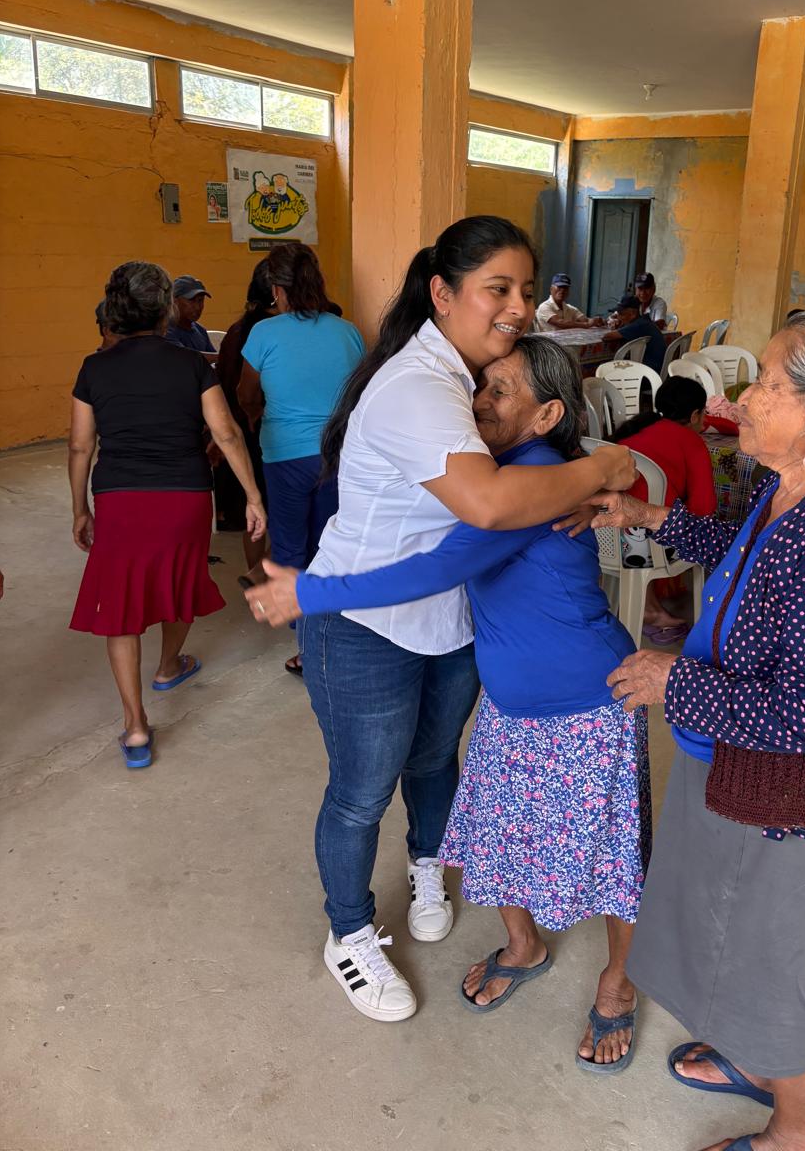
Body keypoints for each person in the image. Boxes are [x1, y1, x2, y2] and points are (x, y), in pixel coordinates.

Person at [566, 308, 805, 1151]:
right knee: (738, 933)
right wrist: (651, 518)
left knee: (789, 965)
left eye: (767, 384)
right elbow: (749, 552)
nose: (742, 400)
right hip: (752, 762)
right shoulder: (797, 482)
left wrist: (675, 681)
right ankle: (759, 1060)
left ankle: (797, 1132)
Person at [244, 215, 635, 1023]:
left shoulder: (473, 378)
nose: (519, 306)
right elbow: (488, 508)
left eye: (526, 289)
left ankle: (429, 863)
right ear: (443, 293)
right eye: (499, 288)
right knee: (362, 790)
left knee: (432, 762)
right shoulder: (421, 387)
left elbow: (516, 484)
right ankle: (349, 932)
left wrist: (599, 470)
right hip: (366, 619)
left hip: (450, 624)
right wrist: (601, 461)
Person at [69, 262, 266, 770]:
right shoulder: (190, 364)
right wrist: (252, 496)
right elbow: (226, 433)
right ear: (165, 309)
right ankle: (168, 665)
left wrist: (80, 508)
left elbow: (80, 446)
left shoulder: (94, 368)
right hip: (185, 496)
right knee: (180, 577)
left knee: (121, 603)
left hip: (119, 499)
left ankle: (135, 726)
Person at [237, 243, 364, 674]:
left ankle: (309, 646)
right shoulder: (347, 332)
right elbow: (358, 393)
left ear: (276, 288)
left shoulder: (264, 333)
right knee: (332, 544)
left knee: (290, 546)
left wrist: (258, 416)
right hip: (339, 454)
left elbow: (246, 395)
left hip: (285, 456)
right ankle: (333, 636)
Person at [613, 377, 716, 643]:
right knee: (700, 531)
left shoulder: (637, 430)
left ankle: (644, 605)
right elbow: (704, 510)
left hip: (607, 535)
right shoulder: (690, 441)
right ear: (694, 415)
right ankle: (650, 611)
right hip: (646, 545)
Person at [214, 258, 275, 578]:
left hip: (238, 436)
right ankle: (260, 577)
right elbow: (246, 393)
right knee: (290, 517)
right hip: (269, 433)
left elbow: (224, 387)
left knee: (254, 516)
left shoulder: (237, 332)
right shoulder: (276, 333)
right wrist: (254, 412)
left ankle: (256, 577)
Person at [606, 295, 667, 372]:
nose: (618, 317)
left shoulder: (638, 325)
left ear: (633, 314)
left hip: (650, 372)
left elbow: (606, 337)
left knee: (608, 370)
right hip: (655, 368)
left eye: (621, 314)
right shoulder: (643, 321)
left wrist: (621, 327)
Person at [165, 276, 217, 359]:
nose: (197, 307)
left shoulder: (200, 330)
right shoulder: (164, 330)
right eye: (191, 300)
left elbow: (214, 360)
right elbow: (187, 358)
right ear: (174, 301)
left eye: (200, 300)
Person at [535, 273, 603, 331]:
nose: (562, 291)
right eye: (559, 287)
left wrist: (596, 321)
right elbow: (561, 323)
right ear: (551, 289)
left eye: (565, 288)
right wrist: (587, 324)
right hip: (548, 342)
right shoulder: (544, 306)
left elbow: (585, 320)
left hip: (565, 341)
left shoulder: (569, 308)